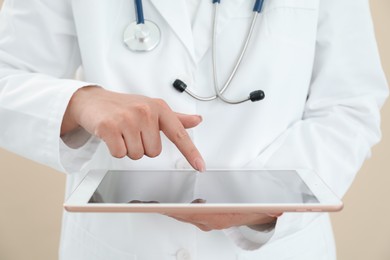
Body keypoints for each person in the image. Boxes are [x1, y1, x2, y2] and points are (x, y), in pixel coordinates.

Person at [0, 0, 387, 259]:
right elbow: (6, 75)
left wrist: (267, 197)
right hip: (120, 245)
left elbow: (349, 102)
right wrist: (80, 101)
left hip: (276, 249)